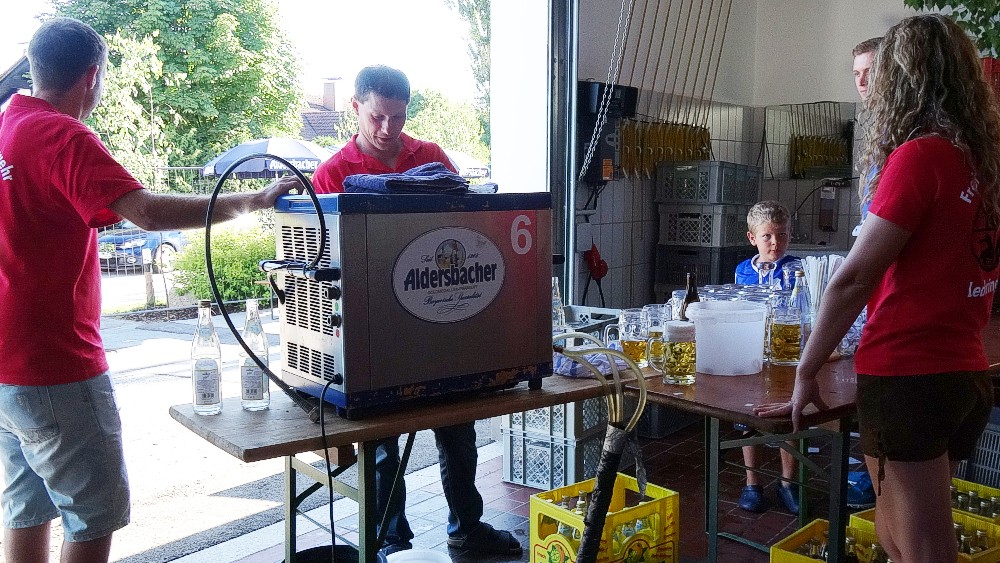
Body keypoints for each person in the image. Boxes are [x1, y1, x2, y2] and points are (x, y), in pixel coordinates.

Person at [0, 18, 302, 563]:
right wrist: (251, 201)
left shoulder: (7, 126)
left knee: (28, 506)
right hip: (53, 363)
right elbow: (146, 212)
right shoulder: (61, 135)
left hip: (7, 365)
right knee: (93, 515)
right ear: (92, 76)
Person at [756, 14, 1000, 563]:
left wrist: (806, 370)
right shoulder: (980, 161)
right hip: (962, 372)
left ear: (903, 79)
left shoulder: (920, 157)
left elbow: (853, 278)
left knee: (922, 545)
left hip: (910, 373)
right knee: (894, 536)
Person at [312, 65, 521, 556]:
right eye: (377, 117)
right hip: (374, 333)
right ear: (356, 108)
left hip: (442, 323)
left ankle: (467, 528)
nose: (388, 129)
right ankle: (391, 541)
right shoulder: (333, 173)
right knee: (382, 446)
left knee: (459, 431)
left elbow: (464, 230)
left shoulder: (430, 157)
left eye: (399, 117)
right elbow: (319, 264)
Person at [733, 201, 801, 514]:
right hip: (751, 351)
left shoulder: (797, 269)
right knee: (748, 416)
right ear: (752, 238)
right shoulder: (743, 270)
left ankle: (788, 482)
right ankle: (752, 482)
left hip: (785, 353)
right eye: (768, 236)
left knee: (788, 416)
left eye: (782, 235)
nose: (775, 243)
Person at [851, 36, 882, 237]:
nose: (861, 82)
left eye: (869, 72)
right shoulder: (883, 127)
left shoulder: (904, 131)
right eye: (856, 74)